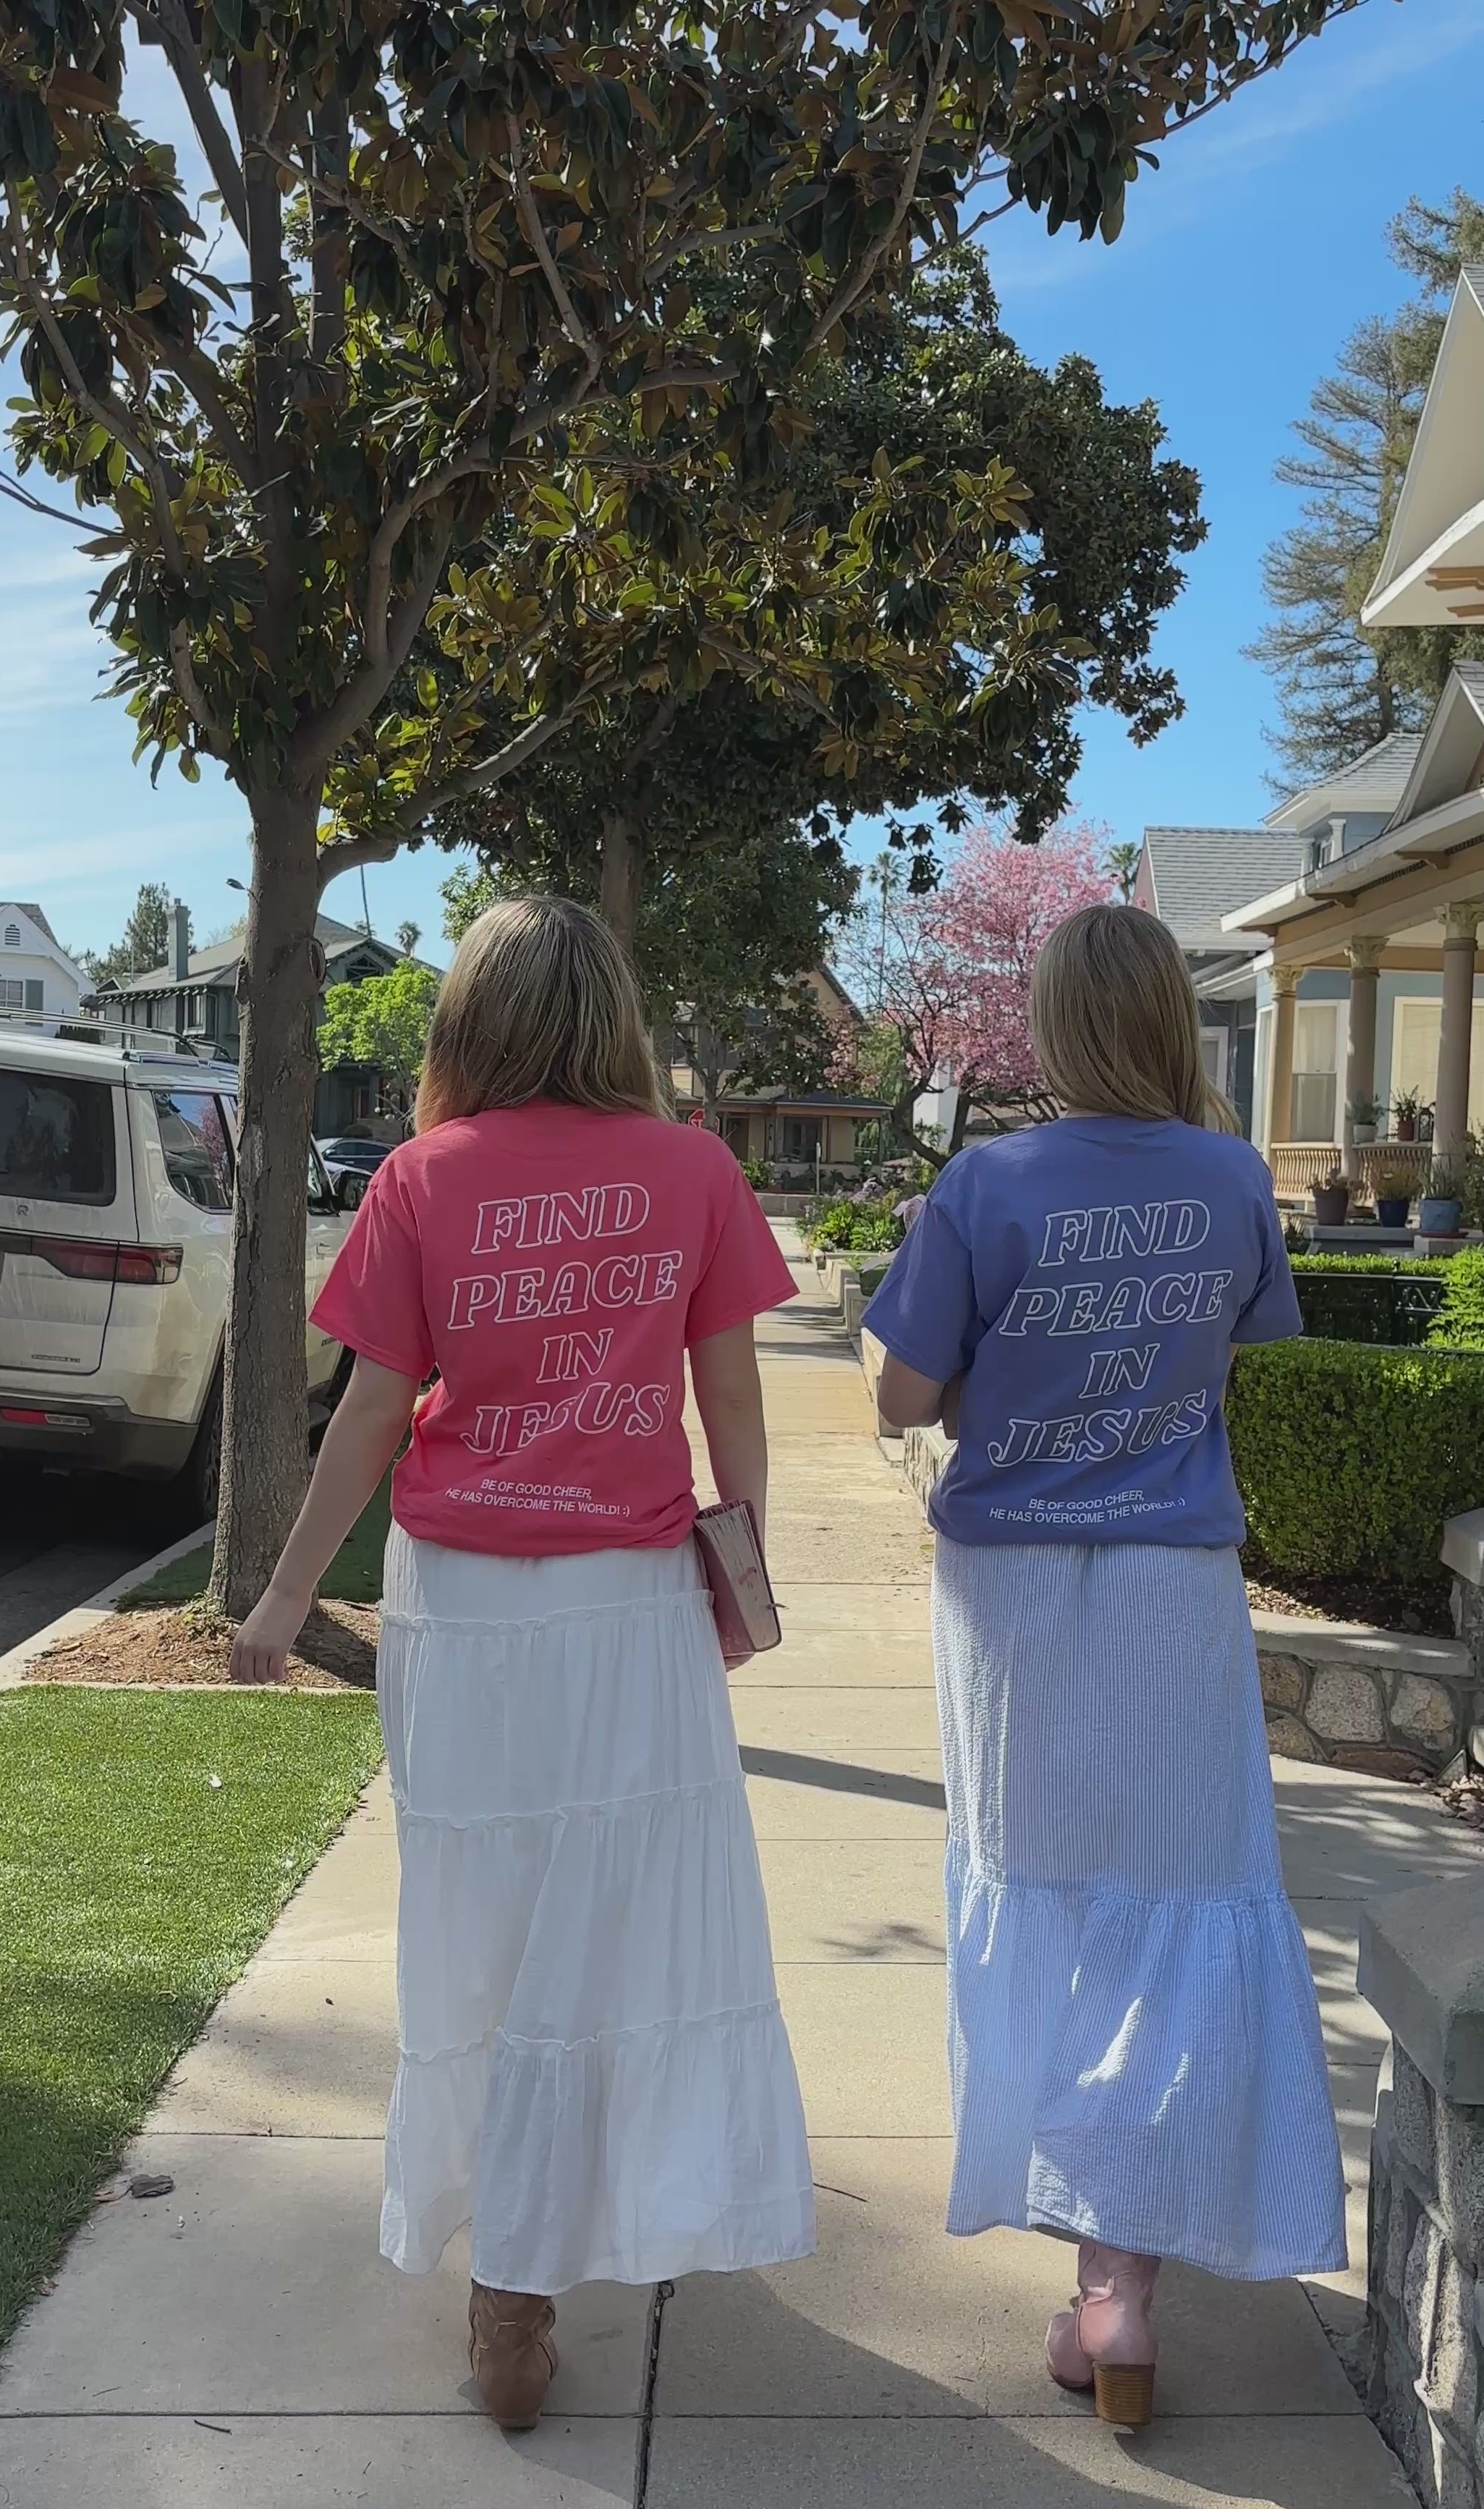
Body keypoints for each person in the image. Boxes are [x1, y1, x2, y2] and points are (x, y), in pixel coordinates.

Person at [230, 897, 814, 2431]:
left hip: (468, 1611)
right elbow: (734, 1402)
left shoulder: (424, 1179)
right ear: (611, 1016)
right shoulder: (691, 1168)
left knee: (478, 1920)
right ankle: (560, 2247)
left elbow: (366, 1413)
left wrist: (286, 1603)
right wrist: (747, 1565)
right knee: (615, 1931)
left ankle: (512, 2283)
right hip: (629, 1606)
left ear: (469, 1021)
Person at [861, 902, 1345, 2428]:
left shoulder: (985, 1183)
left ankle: (1091, 2259)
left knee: (1047, 1896)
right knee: (1171, 1895)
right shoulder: (1232, 1178)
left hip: (1006, 1594)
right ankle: (1123, 2281)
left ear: (1059, 1024)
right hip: (1169, 1584)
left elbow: (900, 1395)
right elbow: (1237, 1346)